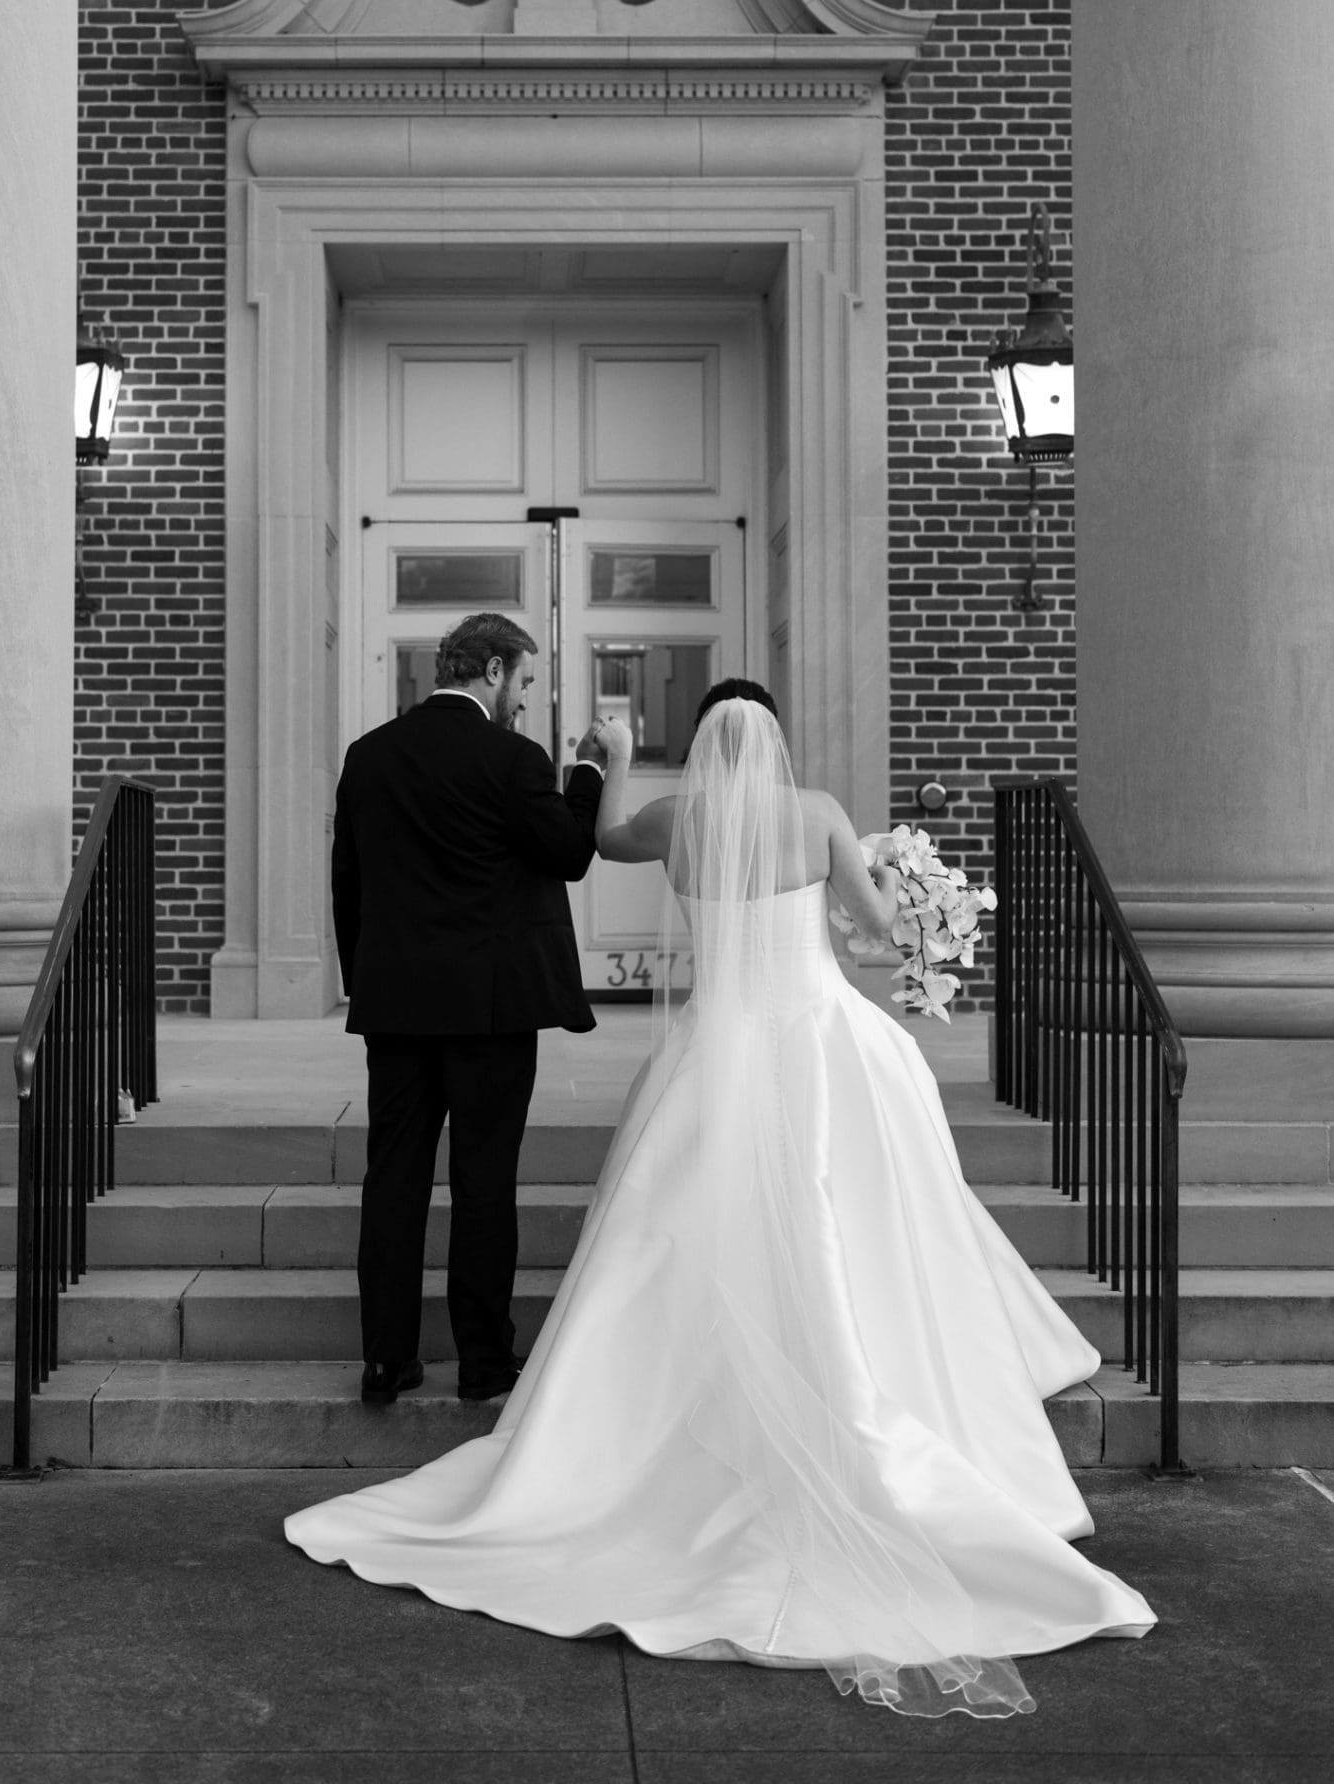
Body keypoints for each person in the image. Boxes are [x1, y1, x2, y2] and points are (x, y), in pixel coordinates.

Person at [289, 679, 1154, 1718]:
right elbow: (873, 935)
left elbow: (598, 841)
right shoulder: (820, 812)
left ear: (703, 745)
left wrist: (606, 748)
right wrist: (891, 873)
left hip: (716, 1050)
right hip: (824, 1045)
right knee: (862, 1218)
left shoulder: (676, 821)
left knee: (671, 1232)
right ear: (776, 741)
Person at [330, 610, 605, 1408]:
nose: (523, 699)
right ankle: (483, 1364)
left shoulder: (368, 755)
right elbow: (568, 854)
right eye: (521, 680)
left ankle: (386, 1359)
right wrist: (584, 773)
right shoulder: (512, 759)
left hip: (396, 1006)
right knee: (484, 1185)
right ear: (490, 671)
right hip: (489, 1013)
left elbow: (349, 882)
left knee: (394, 1182)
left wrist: (366, 981)